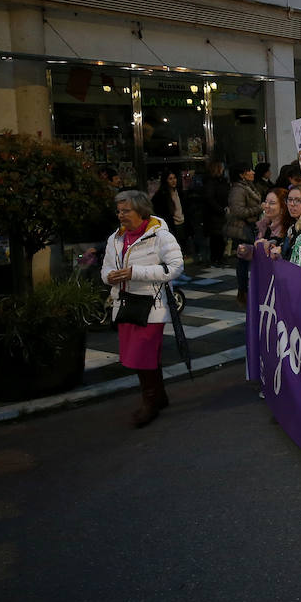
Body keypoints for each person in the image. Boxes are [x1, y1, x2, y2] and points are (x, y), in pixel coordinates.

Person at [103, 190, 184, 428]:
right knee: (142, 356)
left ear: (141, 210)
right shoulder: (115, 238)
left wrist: (135, 272)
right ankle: (159, 396)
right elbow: (105, 268)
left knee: (142, 354)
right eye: (119, 211)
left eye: (126, 210)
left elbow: (175, 267)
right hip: (125, 302)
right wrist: (110, 277)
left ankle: (149, 403)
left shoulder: (160, 235)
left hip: (152, 304)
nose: (121, 215)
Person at [224, 163, 262, 304]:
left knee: (247, 261)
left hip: (249, 227)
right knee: (243, 262)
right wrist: (258, 209)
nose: (252, 172)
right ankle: (243, 292)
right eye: (249, 170)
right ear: (242, 174)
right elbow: (238, 211)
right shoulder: (238, 190)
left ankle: (248, 291)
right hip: (241, 229)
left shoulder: (248, 186)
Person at [151, 170, 189, 252]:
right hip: (171, 225)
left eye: (174, 178)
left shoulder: (179, 192)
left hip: (182, 222)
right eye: (170, 179)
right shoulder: (161, 195)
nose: (173, 181)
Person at [202, 159, 229, 266]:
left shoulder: (221, 181)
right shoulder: (211, 182)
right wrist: (221, 209)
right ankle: (216, 258)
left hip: (220, 212)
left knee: (219, 237)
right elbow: (209, 198)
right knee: (217, 238)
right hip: (214, 215)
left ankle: (219, 257)